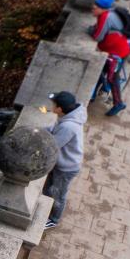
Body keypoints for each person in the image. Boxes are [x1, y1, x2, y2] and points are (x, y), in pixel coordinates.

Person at [43, 91, 86, 229]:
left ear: (60, 109)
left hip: (66, 168)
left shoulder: (68, 126)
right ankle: (46, 206)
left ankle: (53, 219)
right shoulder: (68, 117)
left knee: (58, 194)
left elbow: (52, 145)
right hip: (60, 163)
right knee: (49, 189)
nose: (52, 106)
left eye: (54, 104)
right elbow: (54, 129)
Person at [96, 27, 130, 116]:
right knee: (104, 69)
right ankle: (98, 91)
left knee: (112, 77)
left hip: (117, 53)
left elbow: (100, 41)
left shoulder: (105, 24)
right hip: (117, 49)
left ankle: (118, 103)